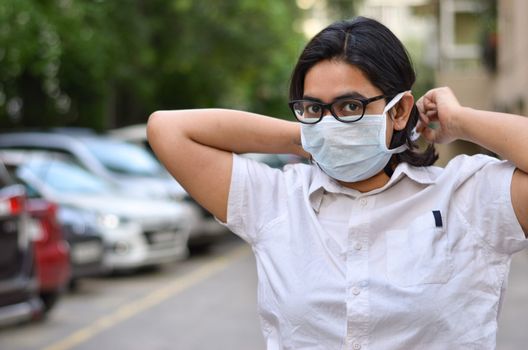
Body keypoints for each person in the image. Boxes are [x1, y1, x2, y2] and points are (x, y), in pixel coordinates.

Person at [147, 16, 528, 350]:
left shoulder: (469, 198)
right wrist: (313, 135)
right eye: (314, 107)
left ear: (399, 111)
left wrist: (460, 121)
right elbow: (168, 129)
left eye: (351, 107)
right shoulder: (278, 200)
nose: (332, 122)